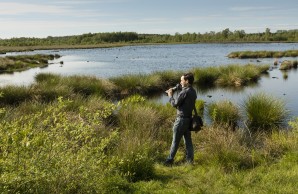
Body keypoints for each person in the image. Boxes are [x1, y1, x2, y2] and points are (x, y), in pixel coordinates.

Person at [164, 72, 197, 166]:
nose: (180, 81)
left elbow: (175, 104)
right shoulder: (193, 91)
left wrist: (170, 95)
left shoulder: (184, 92)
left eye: (182, 80)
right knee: (188, 141)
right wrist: (177, 87)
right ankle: (189, 161)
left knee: (175, 141)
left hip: (181, 120)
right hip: (188, 120)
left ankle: (169, 161)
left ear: (187, 81)